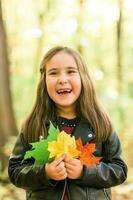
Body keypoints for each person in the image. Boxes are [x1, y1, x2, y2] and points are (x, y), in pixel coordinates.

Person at [8, 46, 127, 200]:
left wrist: (85, 171)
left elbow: (119, 170)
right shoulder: (34, 124)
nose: (62, 79)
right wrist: (45, 173)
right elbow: (15, 170)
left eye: (70, 71)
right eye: (53, 73)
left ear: (83, 78)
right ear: (44, 81)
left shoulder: (100, 123)